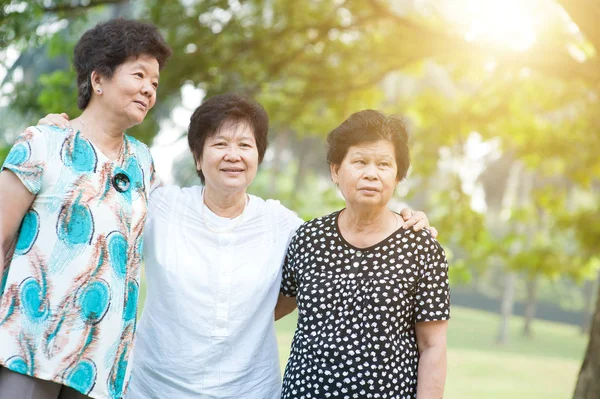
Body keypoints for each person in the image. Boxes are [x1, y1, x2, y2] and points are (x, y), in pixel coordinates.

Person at [37, 94, 436, 398]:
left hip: (251, 390)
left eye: (245, 146)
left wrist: (403, 218)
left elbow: (347, 237)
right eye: (219, 144)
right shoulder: (160, 206)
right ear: (197, 155)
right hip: (156, 388)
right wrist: (62, 134)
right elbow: (93, 194)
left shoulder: (283, 225)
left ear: (259, 156)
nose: (233, 156)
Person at [0, 18, 171, 399]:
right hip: (28, 350)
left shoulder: (143, 163)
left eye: (155, 83)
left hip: (101, 362)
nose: (148, 89)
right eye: (139, 75)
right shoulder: (42, 142)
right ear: (98, 79)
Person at [278, 110, 450, 399]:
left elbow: (432, 346)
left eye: (384, 164)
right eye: (359, 162)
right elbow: (276, 306)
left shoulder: (421, 249)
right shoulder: (308, 239)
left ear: (397, 176)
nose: (371, 173)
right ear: (335, 170)